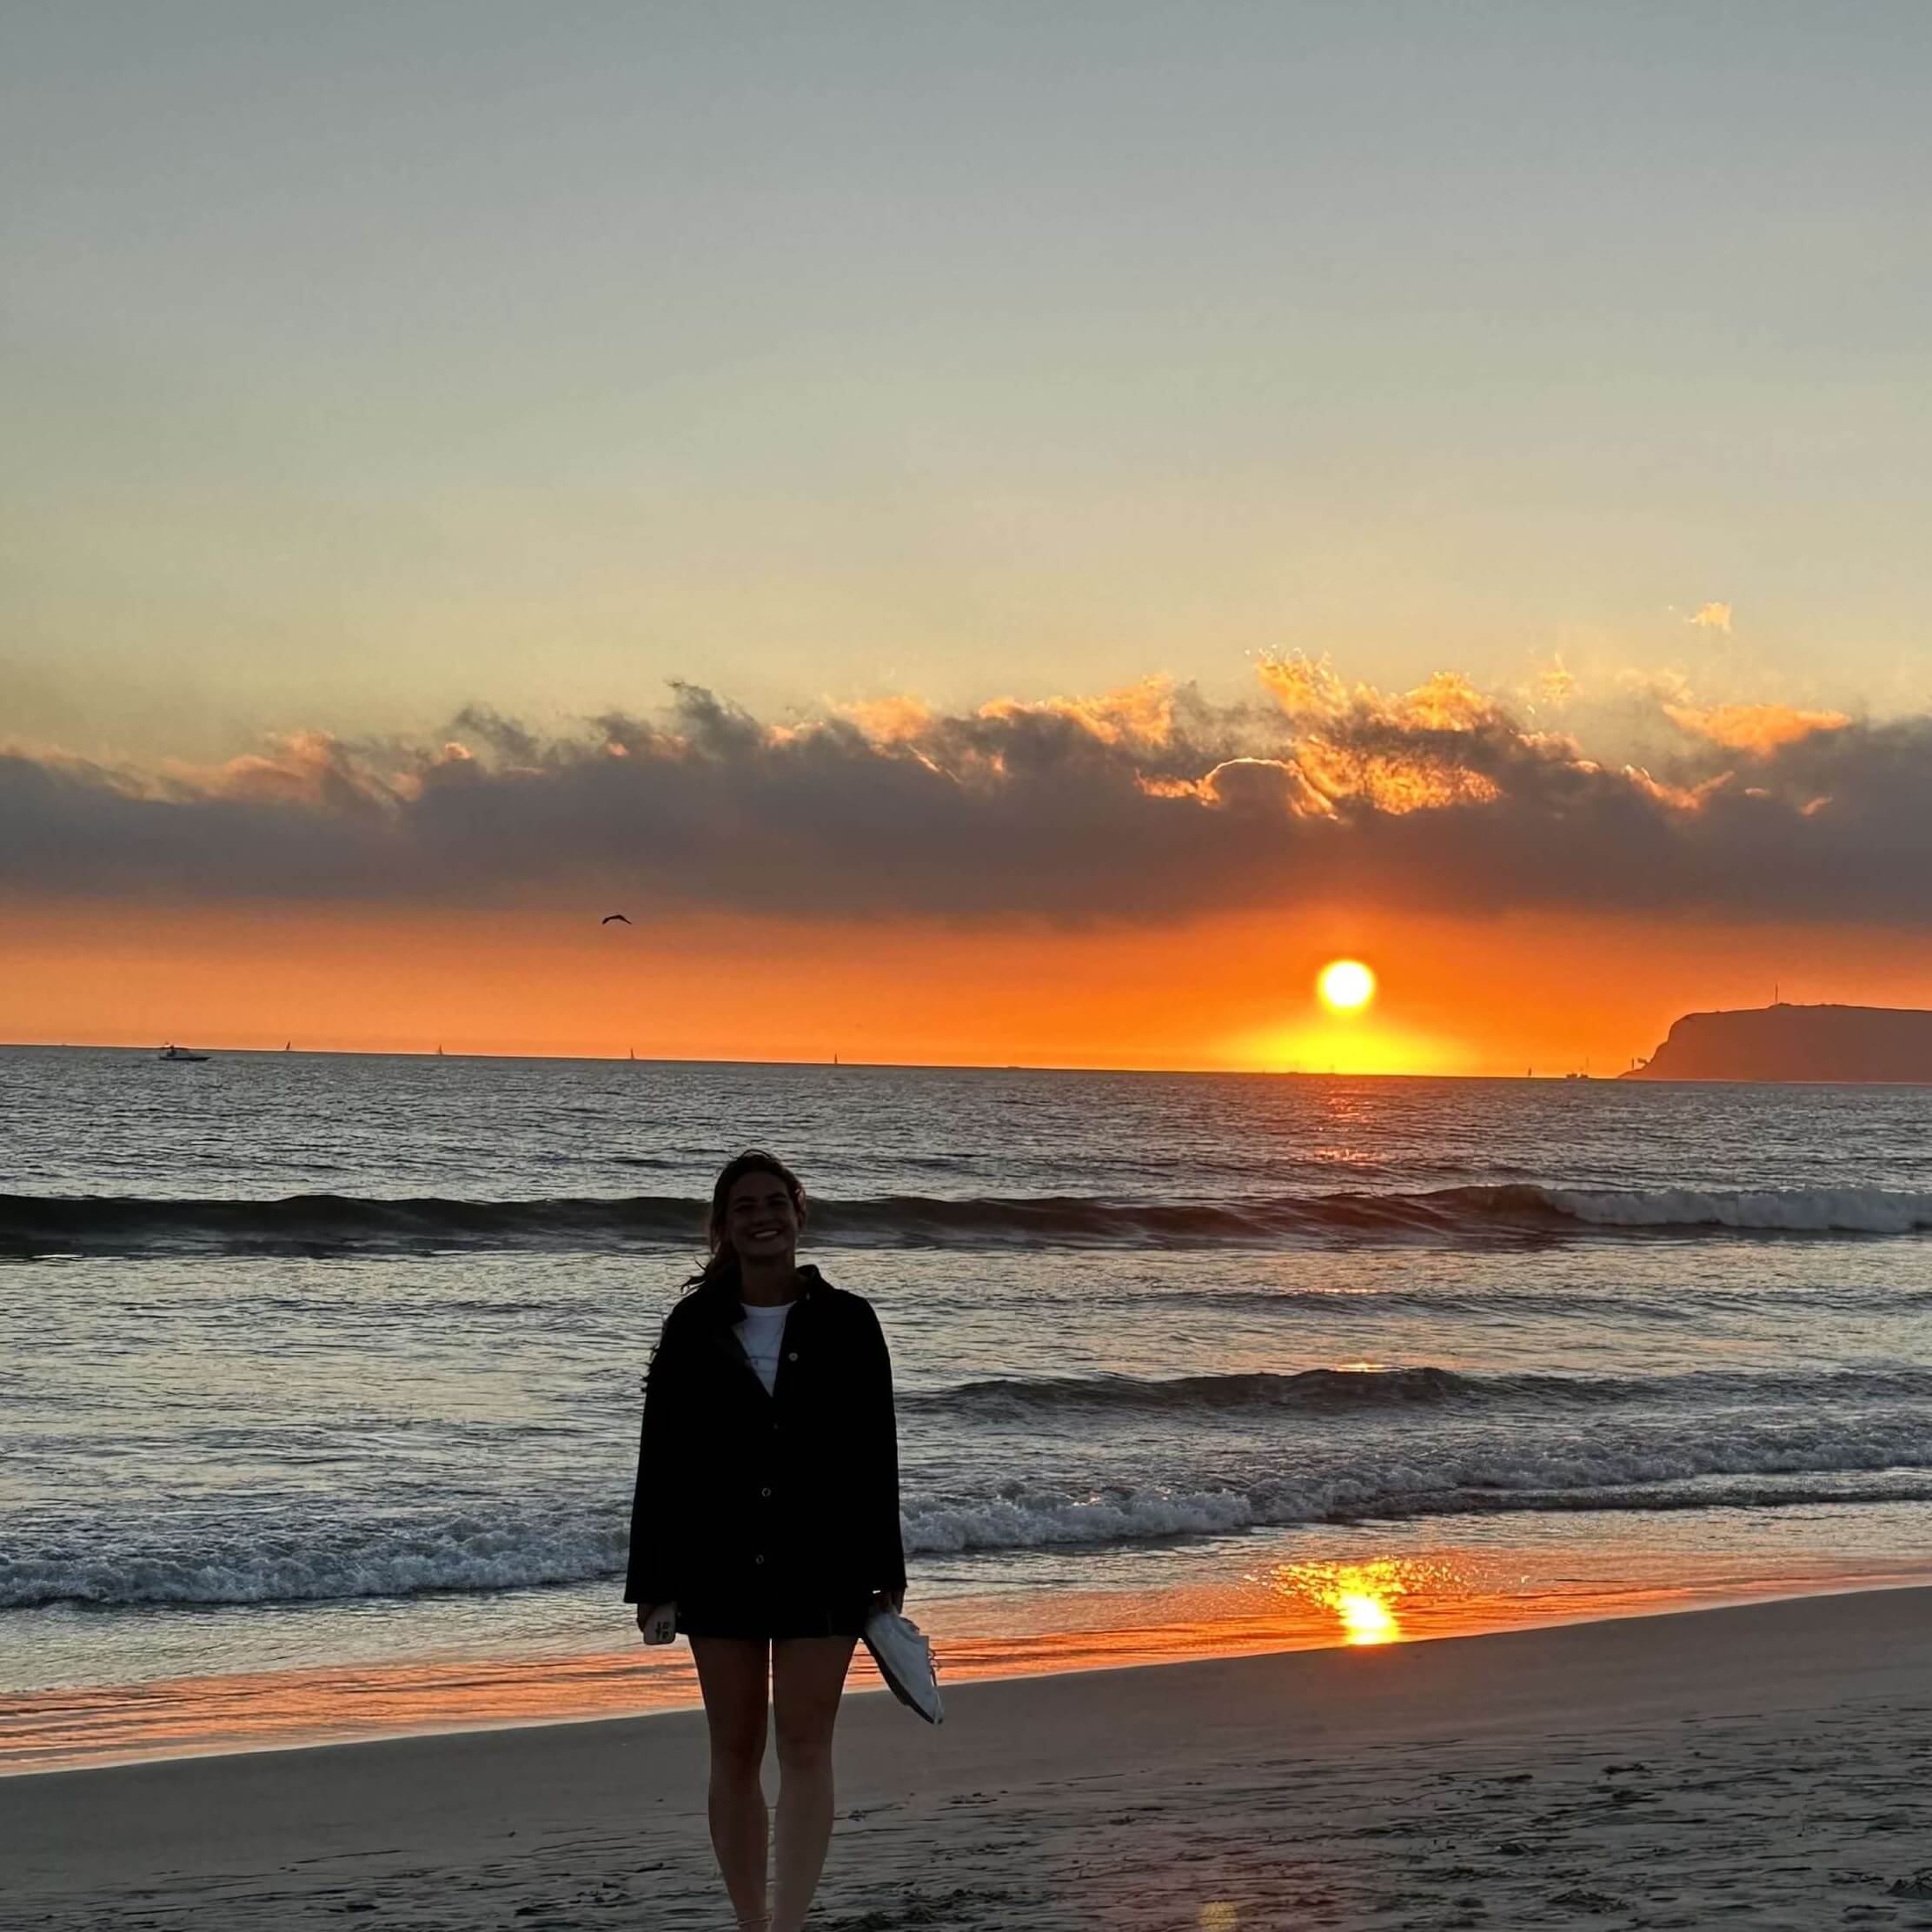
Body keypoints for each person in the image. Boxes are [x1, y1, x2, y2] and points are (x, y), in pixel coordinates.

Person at [627, 1148, 906, 1932]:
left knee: (807, 1744)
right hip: (717, 1562)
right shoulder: (692, 1326)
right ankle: (752, 1922)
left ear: (798, 1214)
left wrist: (886, 1567)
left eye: (775, 1202)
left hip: (826, 1560)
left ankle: (789, 1925)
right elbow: (662, 1457)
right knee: (734, 1748)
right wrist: (653, 1580)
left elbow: (875, 1450)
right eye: (744, 1206)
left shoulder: (849, 1321)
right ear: (722, 1226)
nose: (762, 1216)